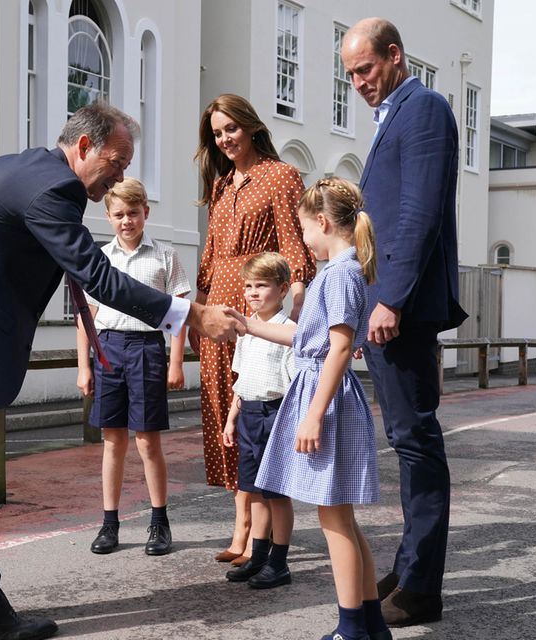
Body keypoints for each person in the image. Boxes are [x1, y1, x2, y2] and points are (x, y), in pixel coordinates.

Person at [0, 102, 244, 640]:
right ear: (85, 147)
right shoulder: (54, 189)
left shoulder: (29, 168)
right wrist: (193, 314)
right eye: (117, 162)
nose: (121, 175)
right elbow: (98, 276)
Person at [341, 18, 468, 628]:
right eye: (350, 75)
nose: (358, 82)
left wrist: (387, 300)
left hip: (404, 308)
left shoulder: (424, 108)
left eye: (365, 69)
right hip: (391, 305)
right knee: (407, 440)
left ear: (395, 55)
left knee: (416, 443)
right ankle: (410, 567)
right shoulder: (396, 113)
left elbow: (417, 214)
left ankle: (420, 586)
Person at [246, 178, 391, 640]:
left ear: (323, 223)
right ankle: (369, 625)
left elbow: (340, 348)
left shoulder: (340, 274)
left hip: (324, 400)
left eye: (304, 228)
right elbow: (306, 341)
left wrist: (313, 414)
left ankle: (352, 628)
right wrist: (248, 326)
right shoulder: (337, 273)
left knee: (333, 518)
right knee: (339, 517)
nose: (303, 238)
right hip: (319, 392)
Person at [191, 93, 315, 566]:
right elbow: (207, 259)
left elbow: (295, 247)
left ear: (251, 126)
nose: (224, 139)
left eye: (231, 129)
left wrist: (298, 310)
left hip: (257, 310)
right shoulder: (222, 186)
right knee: (225, 415)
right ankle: (240, 522)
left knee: (255, 414)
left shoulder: (280, 176)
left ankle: (255, 529)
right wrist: (197, 313)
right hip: (218, 313)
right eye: (217, 133)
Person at [75, 177, 190, 557]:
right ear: (107, 216)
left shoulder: (164, 256)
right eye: (119, 214)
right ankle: (110, 523)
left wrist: (176, 361)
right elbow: (86, 318)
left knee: (147, 440)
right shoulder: (100, 259)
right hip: (108, 349)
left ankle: (159, 522)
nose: (127, 221)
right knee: (113, 440)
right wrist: (84, 367)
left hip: (147, 349)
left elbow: (179, 313)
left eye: (134, 213)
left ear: (146, 213)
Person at [221, 252, 296, 589]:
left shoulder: (289, 332)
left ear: (282, 290)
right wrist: (231, 419)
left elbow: (296, 384)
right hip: (250, 414)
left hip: (275, 415)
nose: (252, 292)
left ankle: (279, 563)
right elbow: (242, 381)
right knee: (253, 492)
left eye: (261, 286)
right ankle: (258, 556)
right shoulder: (246, 330)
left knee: (276, 494)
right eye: (249, 285)